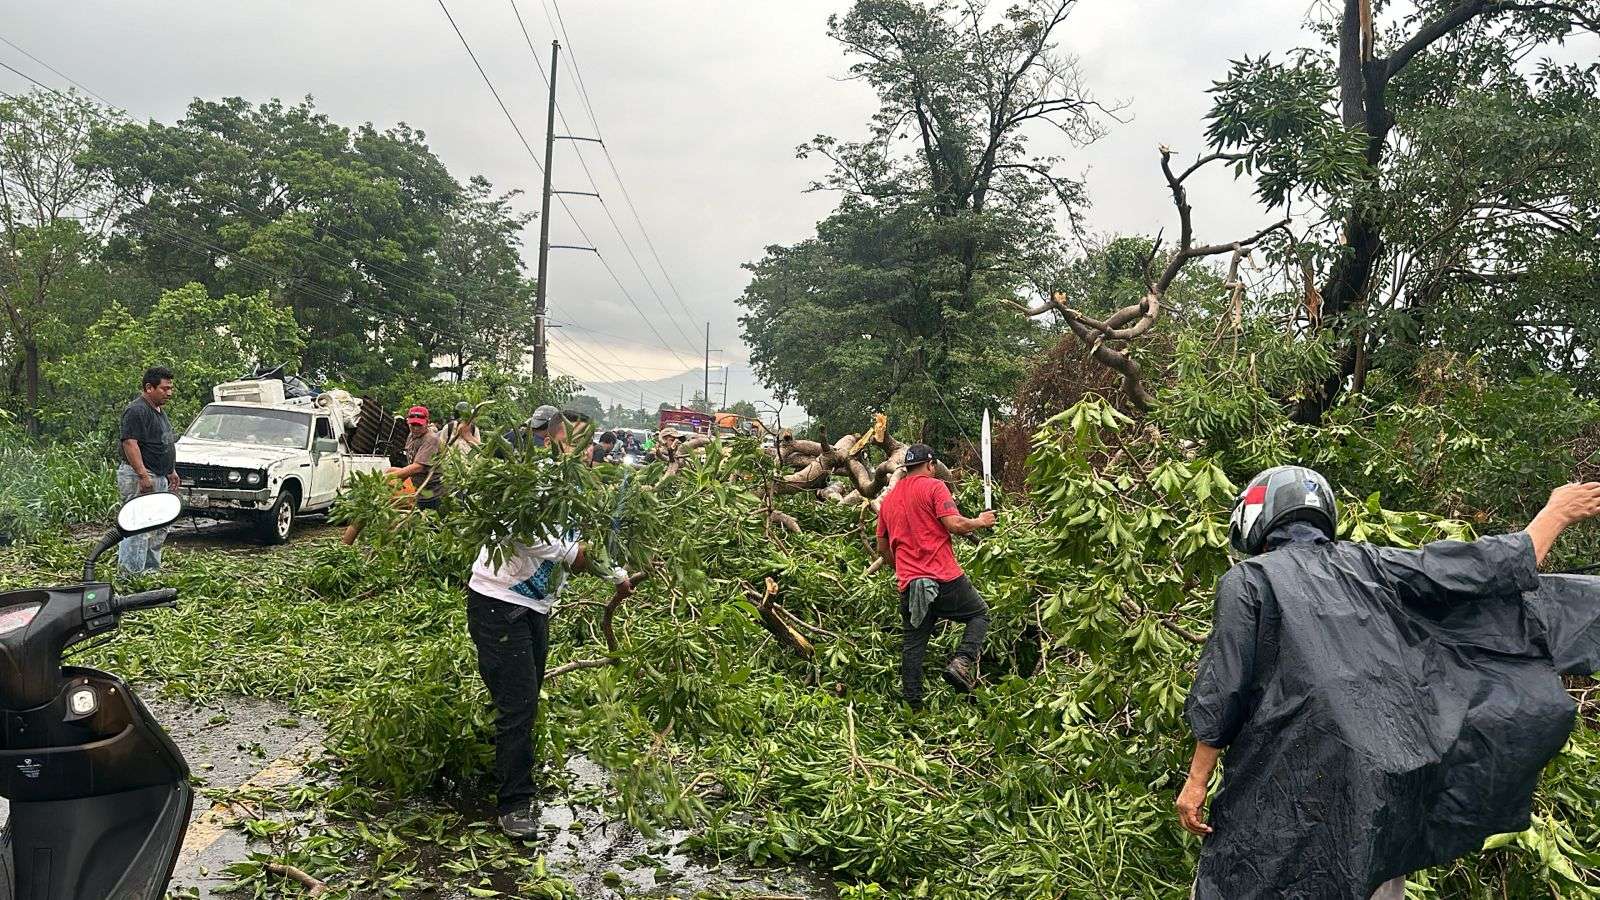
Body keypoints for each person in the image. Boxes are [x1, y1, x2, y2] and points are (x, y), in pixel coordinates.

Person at [1179, 467, 1600, 900]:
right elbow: (1485, 569)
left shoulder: (1250, 580)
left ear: (1258, 520)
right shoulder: (1373, 567)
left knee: (1237, 881)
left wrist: (1196, 781)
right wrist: (1556, 513)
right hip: (1379, 798)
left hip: (1281, 794)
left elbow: (1222, 687)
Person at [465, 406, 637, 838]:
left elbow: (585, 543)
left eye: (586, 443)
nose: (580, 450)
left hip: (534, 607)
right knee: (519, 701)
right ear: (554, 439)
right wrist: (573, 557)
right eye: (572, 440)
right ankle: (514, 804)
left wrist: (616, 575)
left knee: (523, 698)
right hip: (497, 602)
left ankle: (507, 769)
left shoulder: (574, 485)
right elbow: (527, 531)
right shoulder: (531, 478)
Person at [874, 443, 997, 708]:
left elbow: (883, 549)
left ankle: (912, 708)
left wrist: (905, 567)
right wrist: (981, 521)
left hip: (909, 583)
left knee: (913, 645)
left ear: (907, 468)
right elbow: (955, 525)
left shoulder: (889, 501)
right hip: (943, 577)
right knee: (979, 614)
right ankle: (962, 662)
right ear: (931, 465)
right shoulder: (934, 487)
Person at [117, 366, 179, 575]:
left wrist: (170, 470)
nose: (169, 393)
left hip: (159, 475)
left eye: (171, 388)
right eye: (165, 388)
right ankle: (130, 575)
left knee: (158, 526)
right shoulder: (137, 410)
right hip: (141, 476)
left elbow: (162, 443)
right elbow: (130, 443)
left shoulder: (159, 412)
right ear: (149, 387)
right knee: (138, 526)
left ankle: (150, 572)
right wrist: (143, 475)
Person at [387, 405, 444, 510]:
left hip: (433, 491)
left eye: (419, 425)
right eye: (413, 425)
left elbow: (418, 467)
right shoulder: (411, 436)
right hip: (419, 488)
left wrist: (389, 478)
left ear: (427, 422)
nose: (415, 428)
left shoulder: (430, 439)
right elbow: (410, 465)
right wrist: (396, 483)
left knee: (432, 521)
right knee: (390, 470)